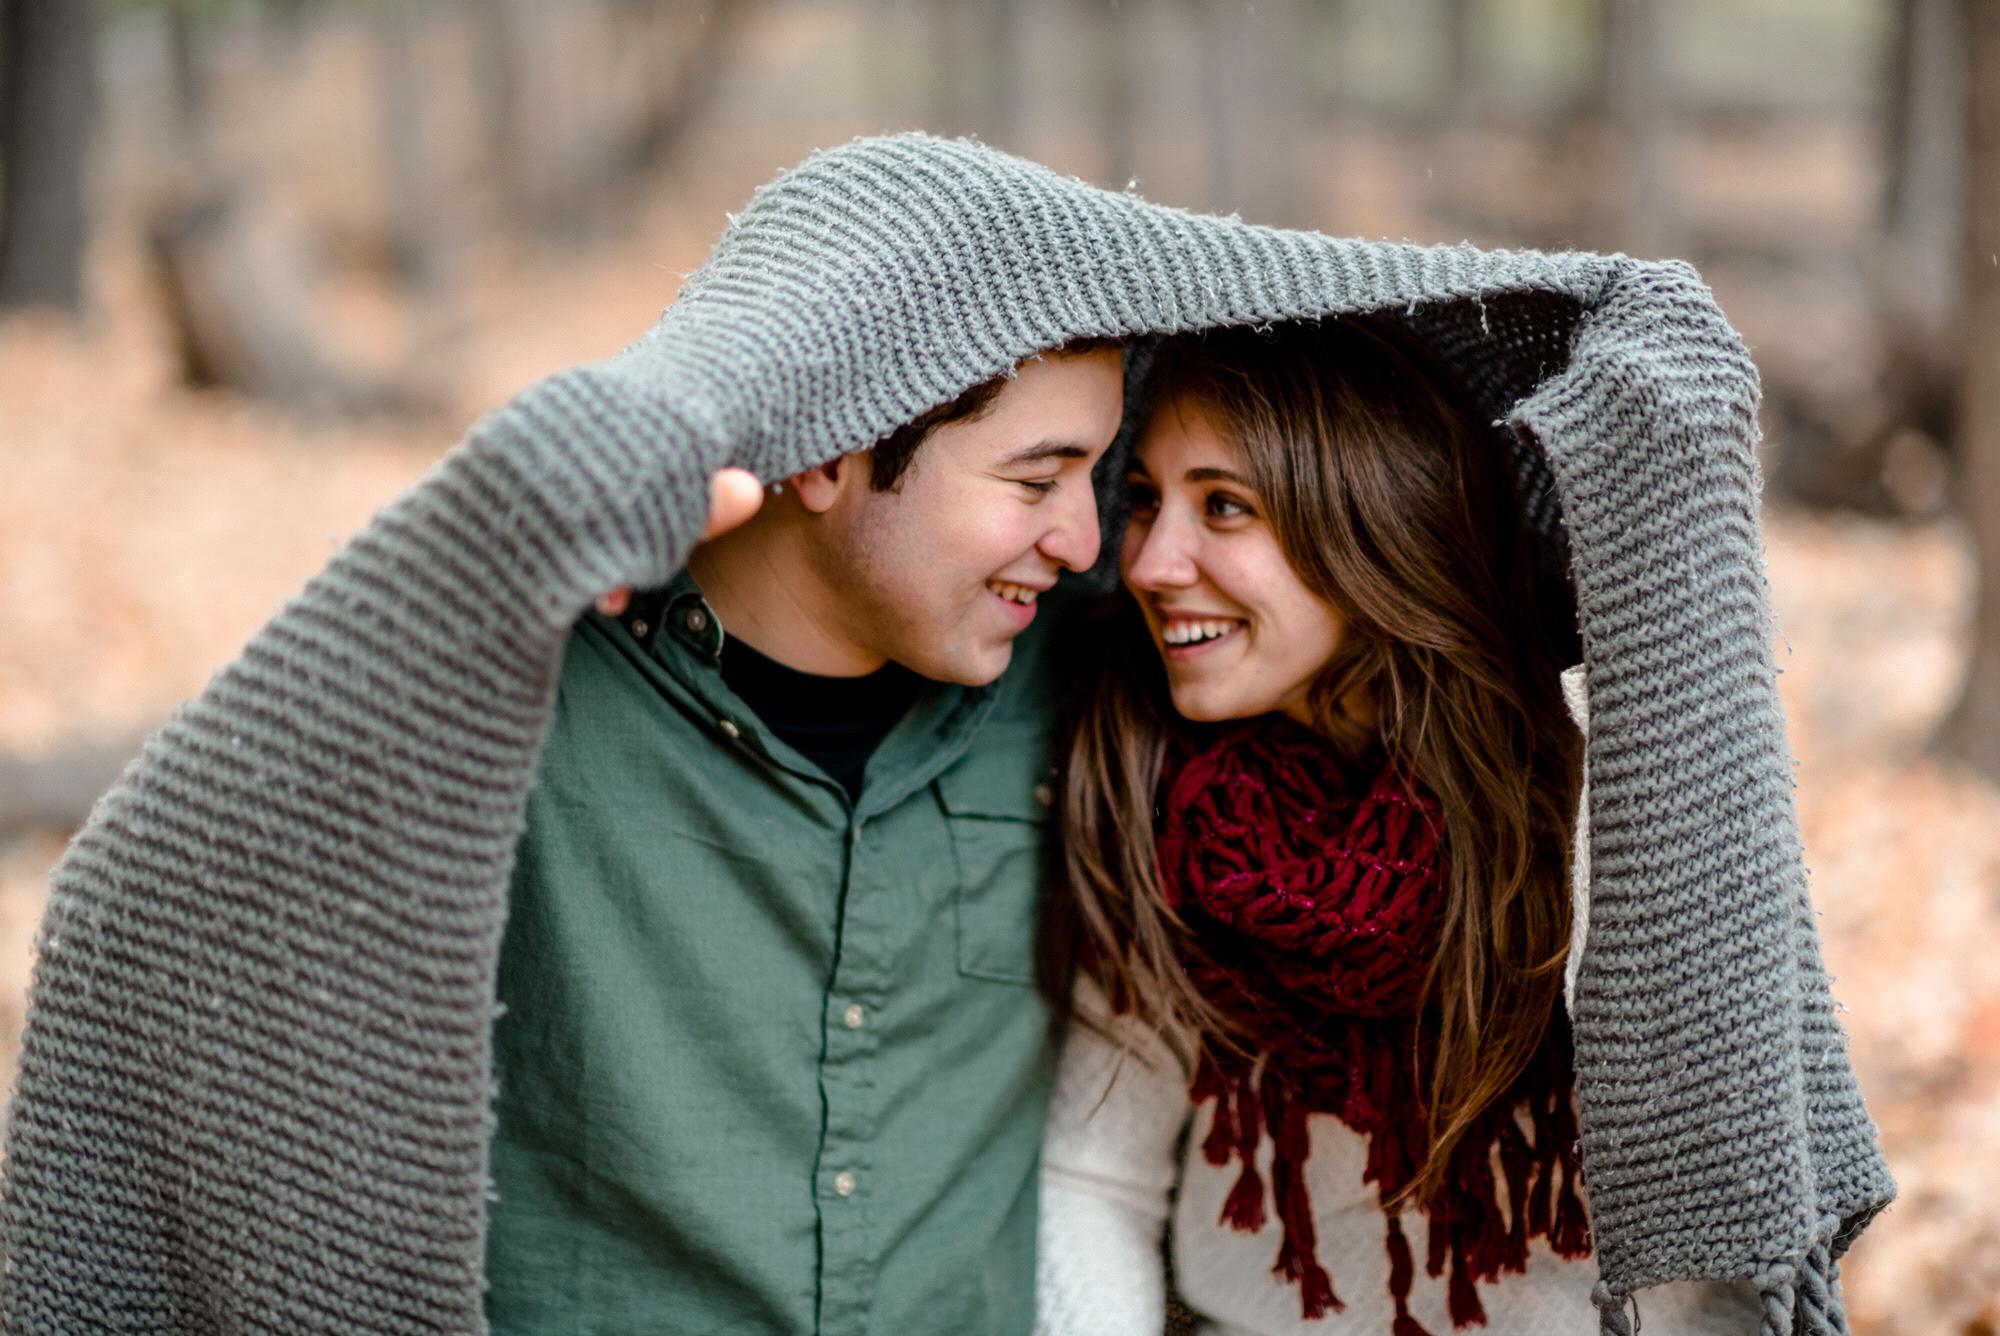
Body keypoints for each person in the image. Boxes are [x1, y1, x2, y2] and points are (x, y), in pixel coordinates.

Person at [0, 135, 1887, 1336]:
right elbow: (164, 894)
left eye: (1120, 488)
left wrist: (1642, 398)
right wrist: (548, 518)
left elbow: (1376, 565)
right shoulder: (511, 712)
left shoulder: (1108, 689)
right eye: (1056, 482)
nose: (1102, 551)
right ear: (832, 451)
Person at [1034, 319, 1764, 1335]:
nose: (1153, 563)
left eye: (1224, 505)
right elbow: (1092, 1177)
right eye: (1147, 499)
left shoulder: (1591, 793)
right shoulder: (1148, 790)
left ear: (1374, 521)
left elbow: (1716, 1234)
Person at [482, 334, 1123, 1334]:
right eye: (1037, 480)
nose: (1085, 539)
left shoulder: (1094, 669)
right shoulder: (513, 682)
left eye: (1098, 475)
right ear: (832, 454)